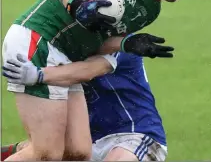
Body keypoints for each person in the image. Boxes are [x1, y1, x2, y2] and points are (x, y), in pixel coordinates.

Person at [2, 0, 211, 161]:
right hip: (40, 38)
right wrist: (74, 4)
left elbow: (99, 43)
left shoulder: (151, 10)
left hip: (64, 54)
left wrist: (127, 44)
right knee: (47, 154)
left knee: (78, 152)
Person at [2, 52, 167, 161]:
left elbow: (88, 70)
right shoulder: (71, 42)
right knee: (46, 152)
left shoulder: (120, 42)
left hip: (134, 133)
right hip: (88, 142)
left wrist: (39, 74)